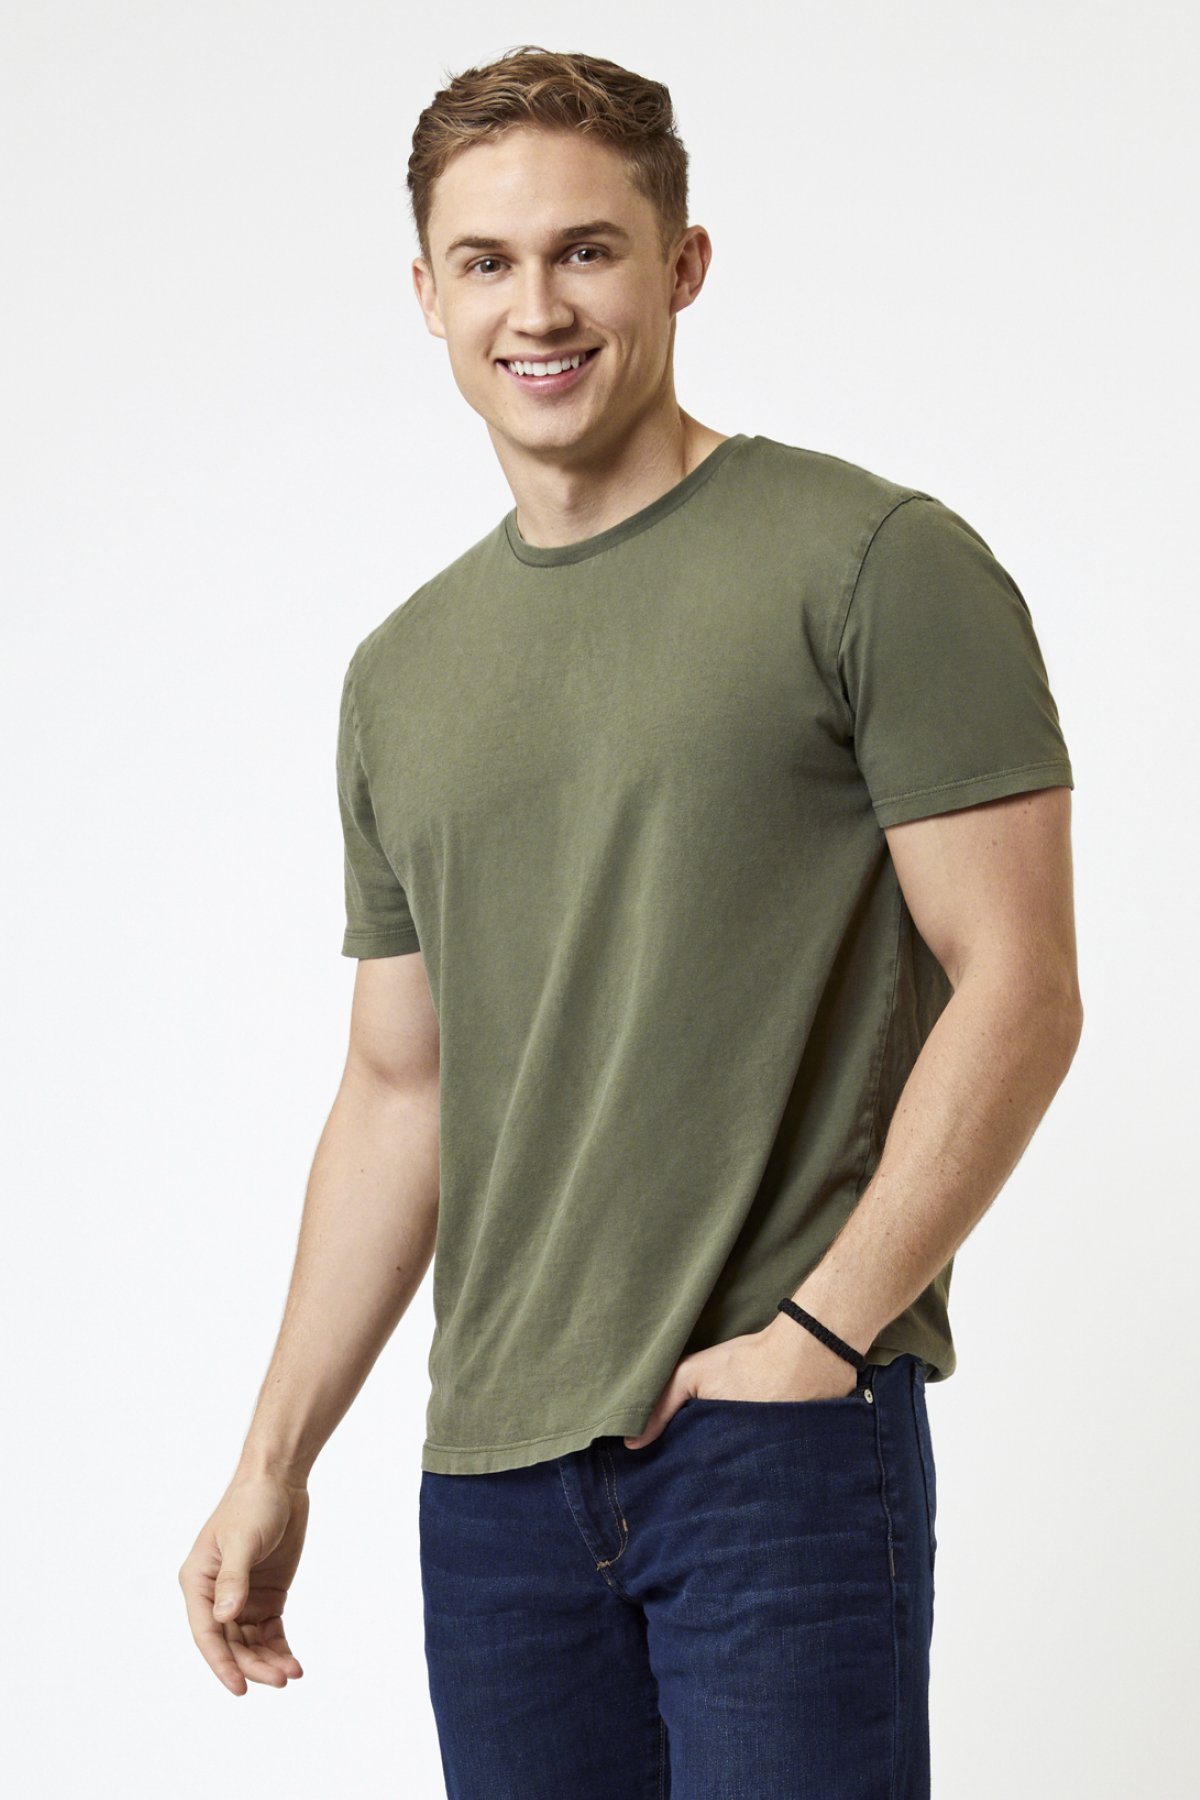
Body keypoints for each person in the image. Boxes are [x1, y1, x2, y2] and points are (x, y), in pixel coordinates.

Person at [179, 43, 1083, 1799]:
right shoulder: (401, 674)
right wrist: (274, 1457)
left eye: (586, 250)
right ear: (428, 295)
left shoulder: (874, 562)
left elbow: (1022, 983)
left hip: (769, 1454)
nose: (538, 308)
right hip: (492, 1486)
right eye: (487, 261)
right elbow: (400, 1090)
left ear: (682, 263)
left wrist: (821, 1338)